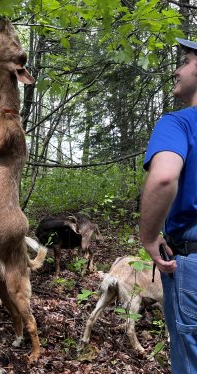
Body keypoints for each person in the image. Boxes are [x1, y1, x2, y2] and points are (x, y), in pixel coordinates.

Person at [140, 38, 197, 373]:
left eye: (186, 61)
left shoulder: (178, 123)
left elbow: (163, 178)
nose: (177, 69)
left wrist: (149, 237)